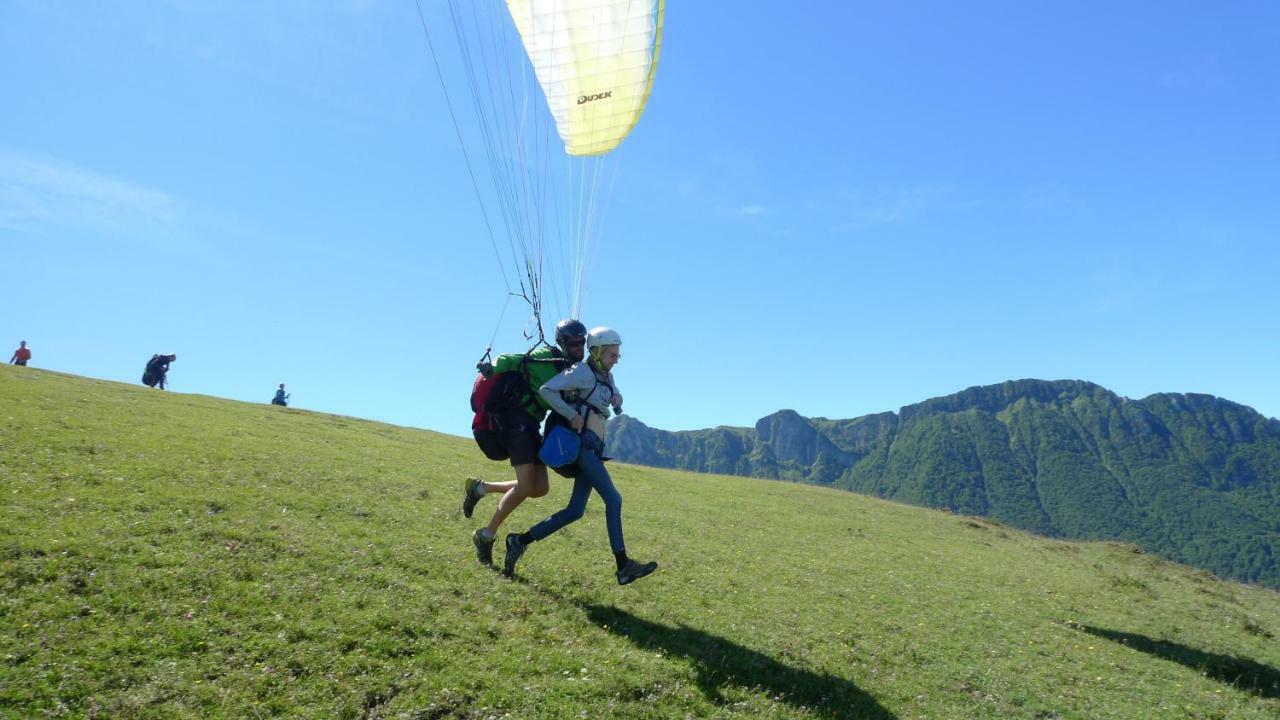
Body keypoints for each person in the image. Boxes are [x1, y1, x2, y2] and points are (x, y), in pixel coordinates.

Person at [503, 326, 658, 586]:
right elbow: (546, 390)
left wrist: (618, 400)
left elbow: (609, 404)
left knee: (575, 511)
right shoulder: (582, 372)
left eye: (617, 355)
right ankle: (623, 567)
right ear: (596, 353)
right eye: (612, 355)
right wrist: (570, 414)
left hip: (595, 447)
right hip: (582, 448)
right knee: (614, 500)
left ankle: (518, 541)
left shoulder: (605, 375)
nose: (616, 359)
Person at [463, 319, 588, 567]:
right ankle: (485, 536)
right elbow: (513, 358)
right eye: (574, 343)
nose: (579, 348)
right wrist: (492, 366)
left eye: (582, 343)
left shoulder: (570, 369)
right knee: (524, 485)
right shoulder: (545, 356)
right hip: (514, 422)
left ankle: (480, 488)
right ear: (562, 343)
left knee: (539, 487)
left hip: (531, 426)